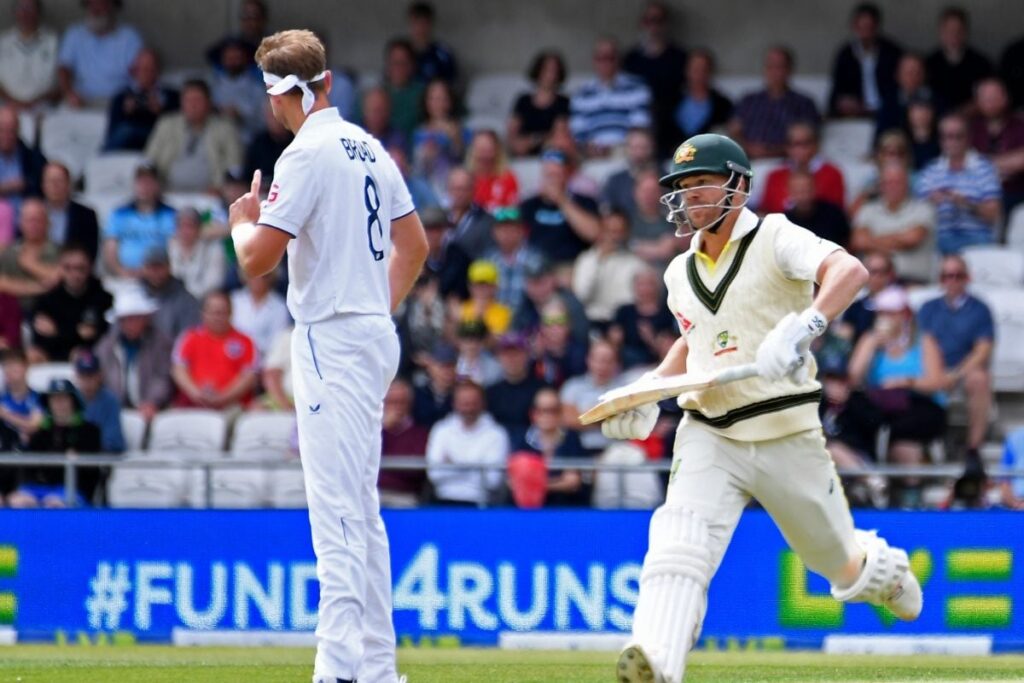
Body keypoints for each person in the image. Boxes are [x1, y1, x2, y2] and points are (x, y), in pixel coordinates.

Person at [603, 133, 921, 683]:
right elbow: (692, 340)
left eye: (700, 182)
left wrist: (806, 326)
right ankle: (655, 661)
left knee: (834, 561)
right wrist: (651, 387)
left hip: (784, 429)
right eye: (682, 186)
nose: (689, 196)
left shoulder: (775, 235)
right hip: (711, 432)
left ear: (738, 185)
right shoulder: (678, 272)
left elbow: (849, 271)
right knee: (678, 540)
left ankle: (883, 571)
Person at [228, 29, 428, 683]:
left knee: (336, 505)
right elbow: (415, 247)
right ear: (328, 84)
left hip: (332, 335)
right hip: (370, 333)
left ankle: (337, 665)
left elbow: (256, 261)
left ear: (279, 96)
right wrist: (377, 305)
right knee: (360, 508)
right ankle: (374, 665)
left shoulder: (305, 155)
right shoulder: (369, 148)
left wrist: (241, 219)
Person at [847, 286, 947, 507]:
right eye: (881, 313)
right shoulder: (870, 340)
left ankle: (909, 497)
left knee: (903, 441)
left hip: (919, 404)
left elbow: (937, 382)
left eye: (889, 312)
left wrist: (905, 381)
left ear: (904, 314)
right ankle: (873, 486)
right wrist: (871, 346)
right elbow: (852, 379)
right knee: (861, 420)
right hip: (883, 408)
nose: (884, 318)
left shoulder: (924, 341)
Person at [918, 255, 994, 466]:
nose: (951, 281)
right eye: (946, 276)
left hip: (962, 371)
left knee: (979, 378)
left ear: (967, 278)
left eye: (957, 276)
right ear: (940, 279)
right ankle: (920, 446)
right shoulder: (928, 308)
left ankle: (973, 448)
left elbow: (982, 350)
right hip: (931, 367)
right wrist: (936, 375)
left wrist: (955, 374)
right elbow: (922, 344)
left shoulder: (980, 309)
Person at [8, 378, 101, 508]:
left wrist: (76, 460)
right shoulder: (41, 432)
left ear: (72, 401)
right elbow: (29, 467)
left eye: (64, 399)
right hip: (40, 488)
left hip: (74, 488)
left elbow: (93, 472)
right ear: (49, 403)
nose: (59, 404)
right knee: (18, 501)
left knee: (54, 504)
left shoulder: (90, 431)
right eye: (55, 399)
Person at [917, 112, 1002, 254]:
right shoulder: (930, 171)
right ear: (941, 139)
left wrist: (967, 203)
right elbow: (916, 215)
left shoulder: (984, 168)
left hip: (976, 238)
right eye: (948, 136)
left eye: (958, 136)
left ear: (968, 138)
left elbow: (994, 214)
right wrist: (930, 202)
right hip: (939, 240)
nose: (953, 142)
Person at [145, 79, 244, 193]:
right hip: (167, 192)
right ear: (181, 103)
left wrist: (221, 187)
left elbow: (235, 166)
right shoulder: (166, 124)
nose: (193, 105)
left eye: (197, 100)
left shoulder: (225, 128)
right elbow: (149, 160)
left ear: (208, 103)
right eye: (188, 100)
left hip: (210, 195)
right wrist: (150, 182)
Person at [93, 287, 173, 420]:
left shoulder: (161, 343)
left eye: (134, 318)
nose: (129, 324)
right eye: (125, 319)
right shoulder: (107, 345)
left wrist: (152, 401)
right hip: (115, 408)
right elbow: (99, 375)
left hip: (152, 409)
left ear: (146, 318)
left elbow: (163, 377)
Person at [425, 379, 509, 506]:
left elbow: (493, 480)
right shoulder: (441, 430)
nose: (469, 408)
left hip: (481, 503)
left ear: (483, 404)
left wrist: (452, 464)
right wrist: (478, 466)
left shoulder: (497, 434)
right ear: (454, 404)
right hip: (442, 502)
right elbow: (434, 475)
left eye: (473, 403)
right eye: (464, 403)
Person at [728, 46, 820, 159]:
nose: (774, 72)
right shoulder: (749, 100)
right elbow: (734, 131)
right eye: (770, 66)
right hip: (748, 161)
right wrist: (748, 147)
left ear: (789, 70)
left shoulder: (804, 104)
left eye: (779, 67)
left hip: (786, 164)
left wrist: (771, 151)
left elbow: (808, 141)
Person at [171, 290, 257, 410]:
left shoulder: (245, 341)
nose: (218, 317)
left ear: (231, 313)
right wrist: (196, 393)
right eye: (214, 313)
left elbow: (249, 376)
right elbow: (179, 370)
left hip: (233, 404)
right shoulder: (189, 337)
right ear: (203, 313)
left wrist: (222, 397)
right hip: (193, 402)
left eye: (223, 312)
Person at [852, 163, 937, 283]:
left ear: (907, 184)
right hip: (874, 284)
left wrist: (873, 241)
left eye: (897, 182)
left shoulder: (923, 209)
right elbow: (859, 241)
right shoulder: (867, 209)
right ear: (880, 186)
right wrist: (898, 241)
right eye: (888, 182)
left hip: (912, 283)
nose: (892, 187)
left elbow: (912, 239)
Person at [622, 2, 686, 155]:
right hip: (638, 121)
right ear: (642, 23)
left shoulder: (679, 57)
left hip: (671, 123)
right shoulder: (631, 59)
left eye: (659, 20)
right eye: (649, 20)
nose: (654, 26)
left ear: (666, 23)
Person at [570, 37, 652, 157]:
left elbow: (640, 127)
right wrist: (589, 148)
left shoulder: (637, 88)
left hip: (626, 151)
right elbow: (578, 133)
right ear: (594, 60)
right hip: (591, 155)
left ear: (618, 59)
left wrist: (617, 147)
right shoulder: (582, 94)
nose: (605, 63)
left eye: (610, 58)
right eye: (601, 58)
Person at [29, 244, 111, 362]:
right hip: (52, 354)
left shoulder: (102, 297)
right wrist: (75, 333)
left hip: (89, 360)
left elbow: (99, 335)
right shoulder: (47, 298)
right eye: (68, 268)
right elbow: (41, 338)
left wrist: (57, 332)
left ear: (90, 267)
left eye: (80, 268)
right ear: (60, 268)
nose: (74, 274)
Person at [510, 387, 589, 507]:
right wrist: (556, 483)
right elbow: (513, 482)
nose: (547, 415)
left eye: (553, 410)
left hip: (565, 508)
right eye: (542, 410)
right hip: (529, 509)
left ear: (560, 413)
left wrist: (536, 485)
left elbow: (572, 482)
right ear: (533, 414)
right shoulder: (522, 439)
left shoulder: (571, 438)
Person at [520, 148, 600, 265]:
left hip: (572, 265)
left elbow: (594, 234)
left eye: (557, 175)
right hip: (535, 268)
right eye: (548, 175)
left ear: (567, 176)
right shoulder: (529, 205)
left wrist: (562, 201)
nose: (552, 181)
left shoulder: (584, 202)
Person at [56, 0, 142, 107]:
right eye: (91, 4)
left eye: (101, 3)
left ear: (112, 7)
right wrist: (69, 93)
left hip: (117, 101)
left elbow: (141, 74)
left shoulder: (130, 37)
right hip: (81, 99)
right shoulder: (74, 33)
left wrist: (133, 98)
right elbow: (64, 68)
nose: (95, 9)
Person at [827, 2, 903, 118]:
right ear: (854, 27)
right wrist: (846, 102)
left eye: (869, 27)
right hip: (855, 115)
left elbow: (900, 87)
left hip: (888, 111)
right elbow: (837, 91)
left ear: (877, 27)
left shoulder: (892, 52)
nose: (865, 32)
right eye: (861, 27)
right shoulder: (845, 55)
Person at [102, 163, 176, 279]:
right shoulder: (120, 213)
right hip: (126, 277)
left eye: (149, 182)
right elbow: (110, 248)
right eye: (141, 182)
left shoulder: (170, 214)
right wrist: (121, 271)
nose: (145, 187)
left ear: (157, 185)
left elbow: (176, 249)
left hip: (161, 279)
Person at [572, 210, 645, 326]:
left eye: (619, 231)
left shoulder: (636, 263)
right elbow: (582, 295)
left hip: (625, 323)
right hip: (593, 321)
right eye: (609, 231)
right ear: (601, 231)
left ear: (627, 233)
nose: (614, 236)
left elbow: (637, 302)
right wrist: (599, 261)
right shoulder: (587, 259)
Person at [758, 122, 845, 215]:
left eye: (805, 143)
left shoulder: (833, 174)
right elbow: (764, 210)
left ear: (816, 144)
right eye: (793, 144)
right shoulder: (774, 176)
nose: (799, 149)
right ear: (786, 147)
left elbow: (837, 213)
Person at [104, 48, 179, 152]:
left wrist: (161, 110)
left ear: (158, 71)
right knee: (126, 131)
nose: (146, 74)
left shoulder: (171, 95)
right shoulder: (121, 97)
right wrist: (126, 112)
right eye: (142, 69)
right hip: (127, 146)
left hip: (158, 139)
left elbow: (177, 125)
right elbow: (112, 132)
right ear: (135, 71)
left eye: (151, 69)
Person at [970, 77, 1024, 213]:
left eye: (995, 97)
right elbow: (963, 162)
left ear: (1006, 98)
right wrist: (1007, 163)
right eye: (986, 98)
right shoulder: (970, 128)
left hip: (1016, 195)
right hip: (978, 197)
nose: (991, 103)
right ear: (977, 102)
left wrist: (982, 163)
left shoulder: (1020, 125)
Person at [925, 6, 994, 113]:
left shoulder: (981, 63)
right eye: (949, 30)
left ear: (965, 32)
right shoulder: (929, 63)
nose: (954, 34)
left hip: (973, 118)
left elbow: (988, 96)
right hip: (936, 119)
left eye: (958, 30)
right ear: (941, 32)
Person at [666, 49, 733, 158]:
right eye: (695, 70)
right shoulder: (670, 101)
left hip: (708, 161)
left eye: (704, 70)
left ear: (710, 72)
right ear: (687, 71)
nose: (699, 75)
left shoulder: (722, 104)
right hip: (674, 160)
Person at [609, 267, 677, 369]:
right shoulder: (624, 311)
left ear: (657, 287)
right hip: (625, 363)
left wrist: (651, 339)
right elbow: (613, 341)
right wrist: (615, 339)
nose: (644, 289)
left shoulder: (667, 313)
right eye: (640, 284)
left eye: (649, 284)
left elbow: (670, 347)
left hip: (656, 363)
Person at [486, 331, 547, 442]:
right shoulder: (490, 393)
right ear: (499, 357)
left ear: (527, 355)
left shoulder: (542, 389)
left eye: (517, 353)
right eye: (507, 354)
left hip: (532, 445)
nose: (512, 359)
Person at [508, 51, 570, 157]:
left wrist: (533, 140)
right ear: (538, 71)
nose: (550, 75)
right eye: (546, 69)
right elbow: (512, 133)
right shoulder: (523, 100)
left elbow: (559, 134)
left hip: (552, 156)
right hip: (522, 155)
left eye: (554, 70)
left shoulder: (563, 102)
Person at [379, 376, 429, 508]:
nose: (397, 407)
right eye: (392, 402)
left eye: (402, 402)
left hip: (405, 495)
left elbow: (415, 473)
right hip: (373, 492)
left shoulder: (420, 434)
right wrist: (382, 429)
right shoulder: (372, 432)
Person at [0, 0, 59, 111]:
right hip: (7, 107)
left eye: (30, 8)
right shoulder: (3, 41)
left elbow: (60, 83)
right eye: (21, 8)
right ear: (14, 12)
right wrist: (14, 102)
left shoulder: (53, 40)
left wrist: (36, 103)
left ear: (39, 12)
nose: (25, 13)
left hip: (44, 108)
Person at [482, 206, 542, 311]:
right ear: (494, 232)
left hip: (526, 321)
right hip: (494, 320)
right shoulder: (487, 259)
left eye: (512, 228)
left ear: (521, 231)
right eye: (502, 228)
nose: (506, 233)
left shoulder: (535, 258)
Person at [140, 245, 201, 342]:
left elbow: (189, 337)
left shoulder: (186, 300)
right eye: (151, 267)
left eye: (159, 267)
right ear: (144, 268)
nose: (155, 272)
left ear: (169, 267)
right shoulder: (134, 296)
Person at [210, 38, 267, 142]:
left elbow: (265, 123)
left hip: (248, 143)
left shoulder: (257, 89)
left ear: (245, 58)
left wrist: (241, 116)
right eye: (229, 57)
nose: (233, 61)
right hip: (216, 143)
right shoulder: (212, 87)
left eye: (237, 57)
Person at [40, 162, 99, 261]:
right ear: (43, 185)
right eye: (50, 181)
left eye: (59, 181)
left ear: (69, 184)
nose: (55, 186)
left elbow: (89, 253)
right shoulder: (33, 213)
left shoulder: (86, 215)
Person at [168, 207, 228, 300]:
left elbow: (214, 282)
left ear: (199, 228)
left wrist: (189, 297)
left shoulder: (214, 249)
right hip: (174, 300)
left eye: (190, 226)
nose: (185, 231)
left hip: (204, 300)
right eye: (181, 226)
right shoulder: (170, 248)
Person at [230, 269, 291, 359]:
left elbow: (277, 341)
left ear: (271, 278)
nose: (258, 280)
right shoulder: (234, 300)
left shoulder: (280, 306)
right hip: (233, 355)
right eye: (253, 275)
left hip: (265, 360)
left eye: (264, 276)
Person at [73, 350, 124, 453]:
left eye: (91, 376)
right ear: (77, 377)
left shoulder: (110, 402)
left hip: (100, 460)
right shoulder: (71, 398)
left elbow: (113, 442)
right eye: (83, 376)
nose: (87, 381)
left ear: (99, 376)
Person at [783, 170, 851, 248]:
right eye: (797, 191)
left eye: (806, 190)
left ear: (815, 188)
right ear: (788, 191)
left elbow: (847, 243)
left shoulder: (833, 214)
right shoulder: (784, 221)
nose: (802, 196)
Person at [875, 53, 935, 139]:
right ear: (897, 75)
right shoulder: (889, 102)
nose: (913, 77)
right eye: (908, 72)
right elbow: (881, 136)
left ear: (924, 74)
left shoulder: (935, 100)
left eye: (917, 72)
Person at [601, 128, 657, 217]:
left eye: (643, 147)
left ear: (652, 148)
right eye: (634, 147)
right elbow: (607, 214)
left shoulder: (664, 178)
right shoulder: (615, 181)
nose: (639, 153)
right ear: (626, 148)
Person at [446, 166, 495, 259]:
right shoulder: (440, 218)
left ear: (473, 190)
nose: (460, 194)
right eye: (455, 189)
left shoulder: (486, 221)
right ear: (448, 190)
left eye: (464, 189)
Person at [245, 102, 294, 191]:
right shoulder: (258, 142)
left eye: (275, 115)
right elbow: (248, 175)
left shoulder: (296, 139)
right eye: (270, 115)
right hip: (263, 194)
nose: (274, 119)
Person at [383, 38, 424, 143]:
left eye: (403, 63)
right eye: (394, 63)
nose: (398, 68)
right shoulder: (377, 95)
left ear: (412, 66)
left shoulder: (422, 94)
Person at [0, 105, 45, 201]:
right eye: (2, 130)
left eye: (11, 130)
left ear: (18, 130)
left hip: (25, 213)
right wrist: (6, 187)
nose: (6, 136)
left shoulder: (33, 158)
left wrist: (27, 184)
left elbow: (41, 188)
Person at [0, 348, 43, 448]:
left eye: (13, 365)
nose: (9, 370)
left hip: (33, 457)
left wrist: (5, 414)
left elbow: (34, 425)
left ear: (26, 366)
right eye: (6, 365)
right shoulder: (2, 399)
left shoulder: (37, 398)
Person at [467, 129, 518, 213]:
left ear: (497, 151)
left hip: (498, 224)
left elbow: (512, 213)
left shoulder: (507, 178)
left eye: (488, 150)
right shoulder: (465, 179)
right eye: (480, 150)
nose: (484, 156)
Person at [406, 1, 457, 84]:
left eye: (423, 23)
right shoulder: (401, 53)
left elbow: (450, 84)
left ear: (430, 24)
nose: (420, 28)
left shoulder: (442, 54)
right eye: (416, 23)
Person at [459, 259, 512, 336]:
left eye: (487, 285)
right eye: (478, 285)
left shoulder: (504, 312)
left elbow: (499, 342)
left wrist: (479, 318)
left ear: (495, 287)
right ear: (470, 286)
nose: (482, 290)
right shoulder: (462, 309)